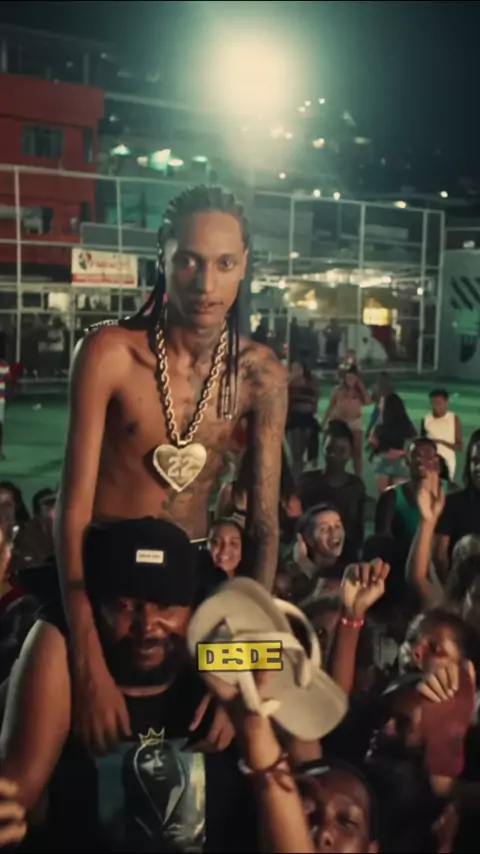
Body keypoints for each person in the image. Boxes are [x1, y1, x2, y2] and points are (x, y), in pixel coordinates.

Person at [56, 186, 287, 754]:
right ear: (162, 254)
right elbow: (71, 512)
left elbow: (264, 530)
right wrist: (85, 658)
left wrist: (244, 664)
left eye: (224, 263)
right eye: (189, 260)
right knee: (29, 756)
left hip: (192, 586)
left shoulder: (260, 374)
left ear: (244, 266)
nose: (205, 284)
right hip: (101, 581)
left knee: (270, 730)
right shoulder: (108, 353)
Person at [0, 518, 256, 853]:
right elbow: (15, 796)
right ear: (96, 607)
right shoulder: (64, 659)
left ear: (194, 608)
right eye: (126, 606)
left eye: (165, 606)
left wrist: (237, 679)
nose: (147, 626)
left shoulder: (211, 654)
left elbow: (291, 658)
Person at [298, 421, 365, 560]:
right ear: (322, 448)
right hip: (311, 555)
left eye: (341, 450)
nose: (335, 455)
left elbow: (358, 532)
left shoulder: (356, 487)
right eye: (330, 449)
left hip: (345, 556)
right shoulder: (306, 482)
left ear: (350, 453)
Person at [276, 504, 346, 606]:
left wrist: (304, 564)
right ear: (308, 538)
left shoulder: (350, 570)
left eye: (337, 526)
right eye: (324, 529)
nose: (334, 532)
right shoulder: (290, 575)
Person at [434, 429, 480, 577]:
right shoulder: (453, 503)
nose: (478, 468)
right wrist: (451, 587)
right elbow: (439, 555)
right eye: (475, 461)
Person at [321, 366, 368, 477]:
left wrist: (361, 388)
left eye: (353, 378)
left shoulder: (359, 392)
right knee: (337, 450)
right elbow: (331, 405)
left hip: (355, 422)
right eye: (348, 378)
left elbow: (367, 401)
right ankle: (334, 473)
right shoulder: (338, 390)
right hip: (339, 421)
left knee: (357, 452)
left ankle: (358, 476)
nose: (350, 380)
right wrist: (324, 421)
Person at [369, 392, 416, 494]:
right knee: (400, 496)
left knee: (385, 496)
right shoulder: (406, 424)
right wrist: (402, 453)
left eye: (381, 403)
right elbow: (412, 442)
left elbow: (372, 441)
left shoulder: (380, 427)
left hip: (384, 462)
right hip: (401, 462)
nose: (379, 406)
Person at [286, 361, 320, 475]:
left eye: (298, 368)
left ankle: (297, 474)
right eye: (293, 368)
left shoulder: (310, 382)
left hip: (307, 418)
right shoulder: (289, 382)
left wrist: (313, 409)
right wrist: (291, 378)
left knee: (303, 449)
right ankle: (295, 475)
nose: (296, 370)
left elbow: (315, 397)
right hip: (293, 418)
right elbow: (280, 392)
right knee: (295, 452)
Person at [421, 390, 462, 482]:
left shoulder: (453, 419)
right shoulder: (426, 419)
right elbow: (421, 445)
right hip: (429, 462)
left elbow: (459, 447)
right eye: (433, 403)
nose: (436, 406)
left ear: (446, 403)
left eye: (439, 403)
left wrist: (441, 442)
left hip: (447, 462)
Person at [0, 356, 9, 460]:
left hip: (0, 400)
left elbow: (8, 381)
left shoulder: (3, 364)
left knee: (0, 425)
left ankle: (0, 450)